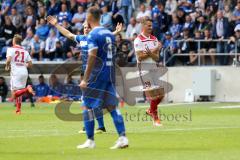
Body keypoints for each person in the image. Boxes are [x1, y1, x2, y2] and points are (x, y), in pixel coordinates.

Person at [47, 15, 122, 134]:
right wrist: (56, 25)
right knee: (90, 101)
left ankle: (95, 127)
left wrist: (116, 32)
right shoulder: (82, 39)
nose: (85, 29)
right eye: (84, 27)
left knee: (90, 101)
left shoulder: (95, 38)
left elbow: (106, 37)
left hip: (96, 74)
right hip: (87, 74)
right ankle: (98, 127)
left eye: (87, 27)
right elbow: (68, 34)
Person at [78, 7, 128, 149]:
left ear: (89, 17)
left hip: (97, 75)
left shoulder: (93, 34)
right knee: (112, 107)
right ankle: (123, 138)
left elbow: (92, 56)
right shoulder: (109, 34)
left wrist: (85, 79)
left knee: (87, 106)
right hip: (109, 73)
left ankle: (90, 140)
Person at [134, 17, 163, 126]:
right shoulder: (138, 40)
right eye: (148, 25)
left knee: (161, 95)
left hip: (154, 68)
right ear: (143, 26)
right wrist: (155, 50)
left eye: (151, 25)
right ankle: (156, 119)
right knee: (154, 95)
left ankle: (151, 110)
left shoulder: (154, 39)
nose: (151, 27)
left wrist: (152, 53)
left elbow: (156, 58)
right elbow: (140, 57)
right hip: (144, 70)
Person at [5, 34, 34, 114]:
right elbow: (31, 64)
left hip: (16, 72)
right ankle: (18, 110)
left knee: (14, 94)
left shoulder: (10, 49)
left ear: (14, 41)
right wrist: (23, 65)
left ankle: (27, 88)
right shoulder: (25, 51)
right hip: (24, 72)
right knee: (19, 92)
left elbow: (8, 60)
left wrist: (7, 66)